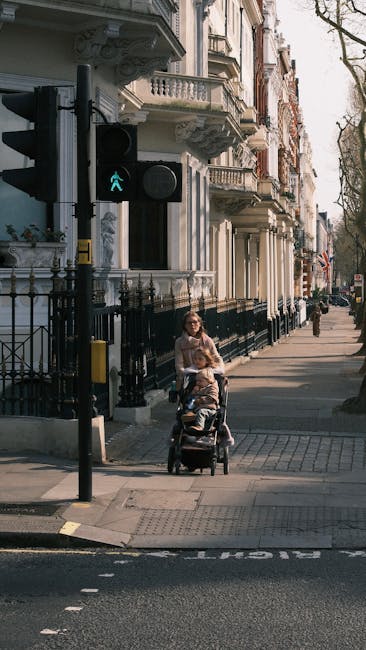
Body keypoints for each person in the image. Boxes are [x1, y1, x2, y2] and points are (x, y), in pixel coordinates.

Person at [174, 310, 224, 389]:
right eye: (189, 323)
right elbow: (179, 364)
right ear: (185, 326)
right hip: (189, 375)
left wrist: (218, 369)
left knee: (218, 382)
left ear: (200, 324)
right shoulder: (179, 342)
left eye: (195, 322)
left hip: (208, 375)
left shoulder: (207, 340)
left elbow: (216, 358)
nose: (192, 325)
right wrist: (184, 372)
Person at [182, 367, 219, 433]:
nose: (197, 383)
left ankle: (200, 427)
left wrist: (201, 400)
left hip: (209, 409)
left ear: (209, 380)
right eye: (197, 381)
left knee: (201, 412)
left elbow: (212, 398)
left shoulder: (212, 388)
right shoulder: (199, 388)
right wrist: (194, 392)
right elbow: (191, 398)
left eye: (200, 381)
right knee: (187, 410)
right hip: (197, 408)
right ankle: (189, 421)